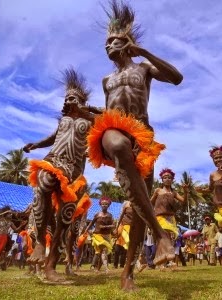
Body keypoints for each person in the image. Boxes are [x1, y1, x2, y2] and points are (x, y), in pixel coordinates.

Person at [84, 1, 183, 290]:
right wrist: (84, 113)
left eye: (113, 41)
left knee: (141, 205)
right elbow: (105, 113)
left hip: (142, 136)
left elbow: (177, 78)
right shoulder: (107, 79)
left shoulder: (144, 69)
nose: (107, 47)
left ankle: (127, 272)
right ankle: (159, 232)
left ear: (127, 43)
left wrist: (145, 52)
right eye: (105, 44)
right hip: (113, 130)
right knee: (116, 143)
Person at [23, 68, 96, 283]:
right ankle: (38, 242)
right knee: (44, 182)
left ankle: (51, 265)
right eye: (67, 98)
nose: (69, 100)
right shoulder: (63, 120)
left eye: (74, 98)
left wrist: (83, 112)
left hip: (74, 170)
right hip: (54, 160)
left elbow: (104, 124)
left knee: (65, 217)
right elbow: (54, 138)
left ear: (82, 101)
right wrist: (36, 144)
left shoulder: (90, 120)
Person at [150, 168, 188, 265]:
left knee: (169, 238)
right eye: (165, 177)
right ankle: (166, 259)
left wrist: (185, 191)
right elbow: (150, 202)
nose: (167, 179)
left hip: (171, 217)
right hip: (160, 217)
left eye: (169, 177)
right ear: (162, 179)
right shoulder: (158, 190)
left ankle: (163, 261)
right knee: (164, 235)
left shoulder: (174, 193)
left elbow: (183, 201)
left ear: (172, 180)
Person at [84, 197, 115, 273]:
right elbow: (91, 223)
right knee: (103, 250)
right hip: (98, 235)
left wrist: (108, 228)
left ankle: (97, 268)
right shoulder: (97, 214)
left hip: (107, 235)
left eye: (106, 204)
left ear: (108, 205)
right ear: (100, 205)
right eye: (103, 204)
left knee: (102, 252)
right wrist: (87, 230)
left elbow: (113, 225)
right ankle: (106, 268)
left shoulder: (110, 215)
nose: (104, 205)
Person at [0, 206, 25, 272]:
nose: (11, 215)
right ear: (5, 214)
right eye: (9, 214)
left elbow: (16, 230)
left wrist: (21, 225)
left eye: (11, 214)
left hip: (4, 238)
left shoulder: (10, 223)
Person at [113, 201, 133, 269]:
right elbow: (120, 217)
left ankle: (122, 265)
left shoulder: (137, 206)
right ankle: (115, 264)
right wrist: (116, 228)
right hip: (122, 228)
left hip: (130, 228)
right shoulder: (126, 205)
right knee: (117, 249)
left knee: (125, 249)